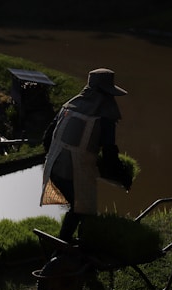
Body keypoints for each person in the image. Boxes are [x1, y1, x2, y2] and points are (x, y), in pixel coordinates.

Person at [40, 68, 131, 242]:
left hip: (53, 168)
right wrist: (123, 176)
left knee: (77, 207)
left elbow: (46, 139)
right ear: (107, 94)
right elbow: (110, 154)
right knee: (85, 210)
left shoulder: (68, 107)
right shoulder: (105, 118)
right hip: (75, 173)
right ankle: (79, 248)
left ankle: (66, 245)